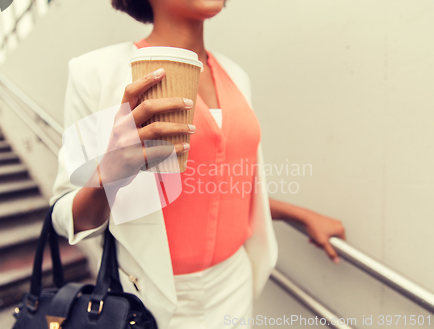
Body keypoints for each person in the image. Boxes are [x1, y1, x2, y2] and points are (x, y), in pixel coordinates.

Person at [50, 0, 346, 328]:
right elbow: (64, 215)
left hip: (235, 285)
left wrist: (302, 216)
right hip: (153, 301)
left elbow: (225, 189)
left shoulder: (237, 76)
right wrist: (109, 173)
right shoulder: (98, 73)